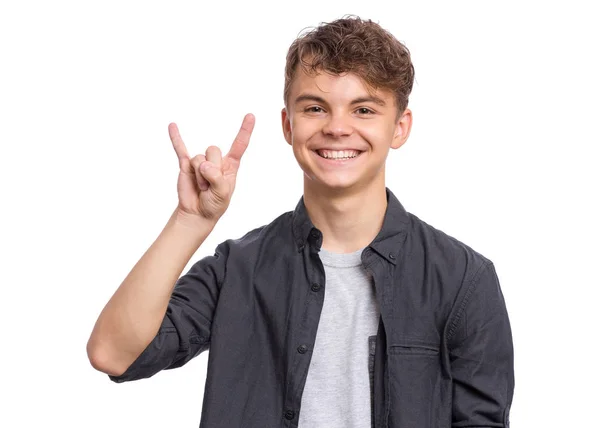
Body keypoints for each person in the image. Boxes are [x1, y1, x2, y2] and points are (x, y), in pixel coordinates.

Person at [87, 16, 514, 428]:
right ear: (288, 125)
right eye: (316, 108)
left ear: (399, 128)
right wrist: (189, 221)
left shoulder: (463, 280)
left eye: (363, 110)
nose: (338, 128)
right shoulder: (237, 269)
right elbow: (113, 353)